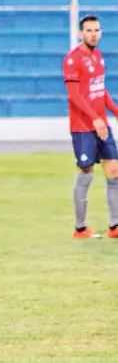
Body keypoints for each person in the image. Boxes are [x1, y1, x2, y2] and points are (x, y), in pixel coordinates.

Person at [63, 14, 118, 239]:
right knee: (86, 173)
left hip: (101, 124)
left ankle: (114, 226)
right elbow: (75, 95)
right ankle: (80, 228)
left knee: (114, 171)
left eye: (96, 30)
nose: (93, 34)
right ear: (80, 33)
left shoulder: (98, 57)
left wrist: (114, 110)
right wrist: (94, 118)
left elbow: (99, 89)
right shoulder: (72, 59)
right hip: (83, 127)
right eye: (88, 30)